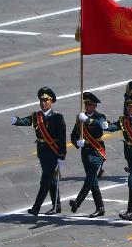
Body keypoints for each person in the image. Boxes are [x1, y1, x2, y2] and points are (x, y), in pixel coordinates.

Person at [11, 87, 66, 216]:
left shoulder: (57, 117)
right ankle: (56, 206)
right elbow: (27, 121)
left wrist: (62, 155)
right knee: (52, 179)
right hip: (42, 152)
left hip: (53, 152)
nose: (43, 103)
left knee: (45, 180)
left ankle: (36, 207)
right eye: (41, 100)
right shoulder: (37, 116)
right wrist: (17, 121)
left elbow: (62, 137)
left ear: (51, 102)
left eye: (46, 100)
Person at [69, 92, 107, 217]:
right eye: (86, 104)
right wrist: (77, 142)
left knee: (90, 179)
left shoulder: (100, 116)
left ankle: (77, 202)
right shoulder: (80, 117)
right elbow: (74, 134)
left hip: (96, 152)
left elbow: (100, 130)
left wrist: (88, 120)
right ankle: (100, 208)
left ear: (95, 106)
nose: (87, 106)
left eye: (90, 104)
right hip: (85, 152)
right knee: (93, 182)